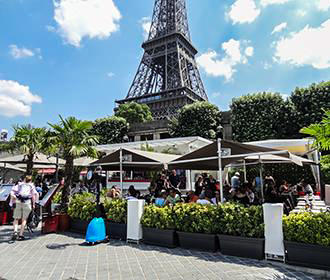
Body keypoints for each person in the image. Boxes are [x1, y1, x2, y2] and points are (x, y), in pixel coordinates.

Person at [10, 176, 38, 241]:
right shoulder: (31, 186)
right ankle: (21, 235)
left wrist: (14, 198)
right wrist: (33, 204)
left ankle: (15, 231)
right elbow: (34, 195)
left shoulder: (19, 184)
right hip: (27, 202)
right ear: (31, 180)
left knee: (16, 218)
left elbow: (12, 191)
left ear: (24, 179)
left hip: (18, 201)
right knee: (24, 219)